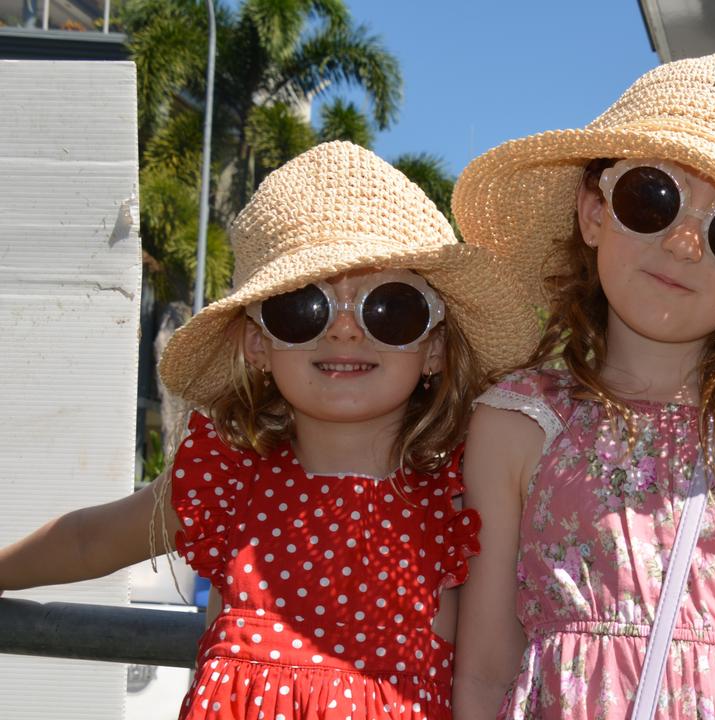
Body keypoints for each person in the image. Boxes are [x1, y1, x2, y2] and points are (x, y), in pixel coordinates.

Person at [0, 141, 539, 720]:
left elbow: (493, 673)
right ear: (258, 343)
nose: (345, 333)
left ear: (433, 349)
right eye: (303, 307)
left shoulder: (460, 503)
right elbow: (89, 540)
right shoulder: (228, 481)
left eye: (390, 308)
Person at [450, 55, 715, 719]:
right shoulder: (518, 420)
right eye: (652, 198)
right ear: (593, 212)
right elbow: (484, 668)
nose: (685, 243)